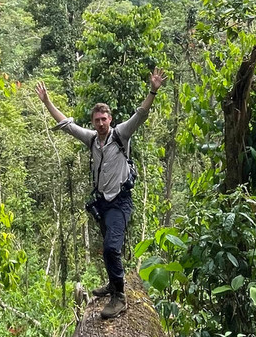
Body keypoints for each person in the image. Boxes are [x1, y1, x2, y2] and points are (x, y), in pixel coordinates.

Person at [36, 68, 165, 319]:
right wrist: (47, 102)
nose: (100, 123)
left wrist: (153, 90)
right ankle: (112, 283)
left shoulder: (121, 134)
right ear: (94, 121)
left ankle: (120, 297)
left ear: (110, 119)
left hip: (120, 201)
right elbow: (66, 125)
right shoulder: (92, 139)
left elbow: (141, 114)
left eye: (104, 119)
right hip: (102, 203)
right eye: (97, 120)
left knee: (111, 248)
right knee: (108, 246)